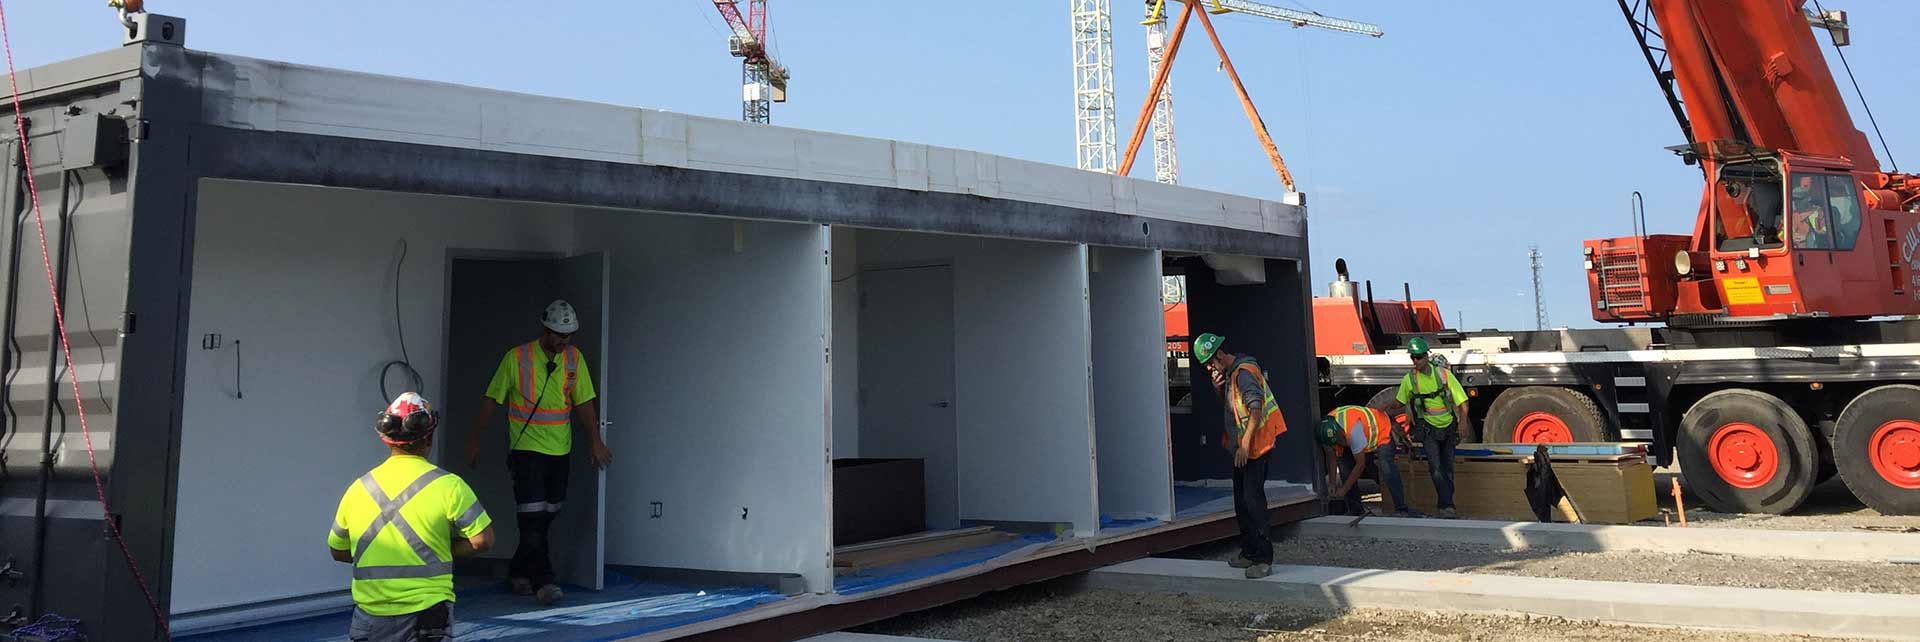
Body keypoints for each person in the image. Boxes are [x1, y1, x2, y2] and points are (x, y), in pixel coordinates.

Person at [464, 299, 612, 605]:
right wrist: (475, 439)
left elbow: (583, 402)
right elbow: (492, 399)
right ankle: (544, 580)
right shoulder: (516, 358)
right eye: (558, 334)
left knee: (547, 515)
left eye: (568, 335)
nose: (563, 340)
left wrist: (595, 440)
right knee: (531, 517)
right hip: (526, 449)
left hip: (560, 450)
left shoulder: (573, 359)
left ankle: (518, 569)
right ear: (545, 329)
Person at [328, 392, 494, 642]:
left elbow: (338, 551)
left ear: (386, 439)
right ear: (429, 438)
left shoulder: (358, 489)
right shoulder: (449, 486)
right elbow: (482, 540)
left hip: (371, 617)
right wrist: (438, 551)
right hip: (428, 612)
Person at [1192, 332, 1288, 579]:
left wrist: (1245, 445)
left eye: (1211, 363)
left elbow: (1255, 407)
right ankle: (1249, 552)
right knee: (1241, 503)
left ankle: (1263, 558)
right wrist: (1218, 388)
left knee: (1254, 503)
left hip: (1255, 448)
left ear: (1220, 355)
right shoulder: (1232, 375)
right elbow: (1233, 408)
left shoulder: (1244, 373)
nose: (1210, 368)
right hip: (1242, 450)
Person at [1379, 337, 1469, 519]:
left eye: (1418, 357)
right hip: (1428, 430)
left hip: (1448, 427)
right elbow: (1399, 401)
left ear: (1426, 356)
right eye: (1412, 357)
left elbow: (1463, 401)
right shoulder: (1409, 380)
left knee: (1447, 468)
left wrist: (1463, 422)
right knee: (1435, 469)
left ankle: (1447, 505)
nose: (1415, 361)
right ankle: (1446, 506)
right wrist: (1382, 409)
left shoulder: (1443, 375)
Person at [1316, 404, 1419, 518]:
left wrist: (1344, 489)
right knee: (1344, 466)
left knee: (1387, 468)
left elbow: (1360, 464)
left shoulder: (1354, 431)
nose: (1339, 443)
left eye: (1340, 440)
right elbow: (1332, 457)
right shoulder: (1325, 430)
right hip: (1363, 435)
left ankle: (1401, 508)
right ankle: (1355, 509)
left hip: (1382, 430)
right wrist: (1332, 483)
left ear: (1340, 431)